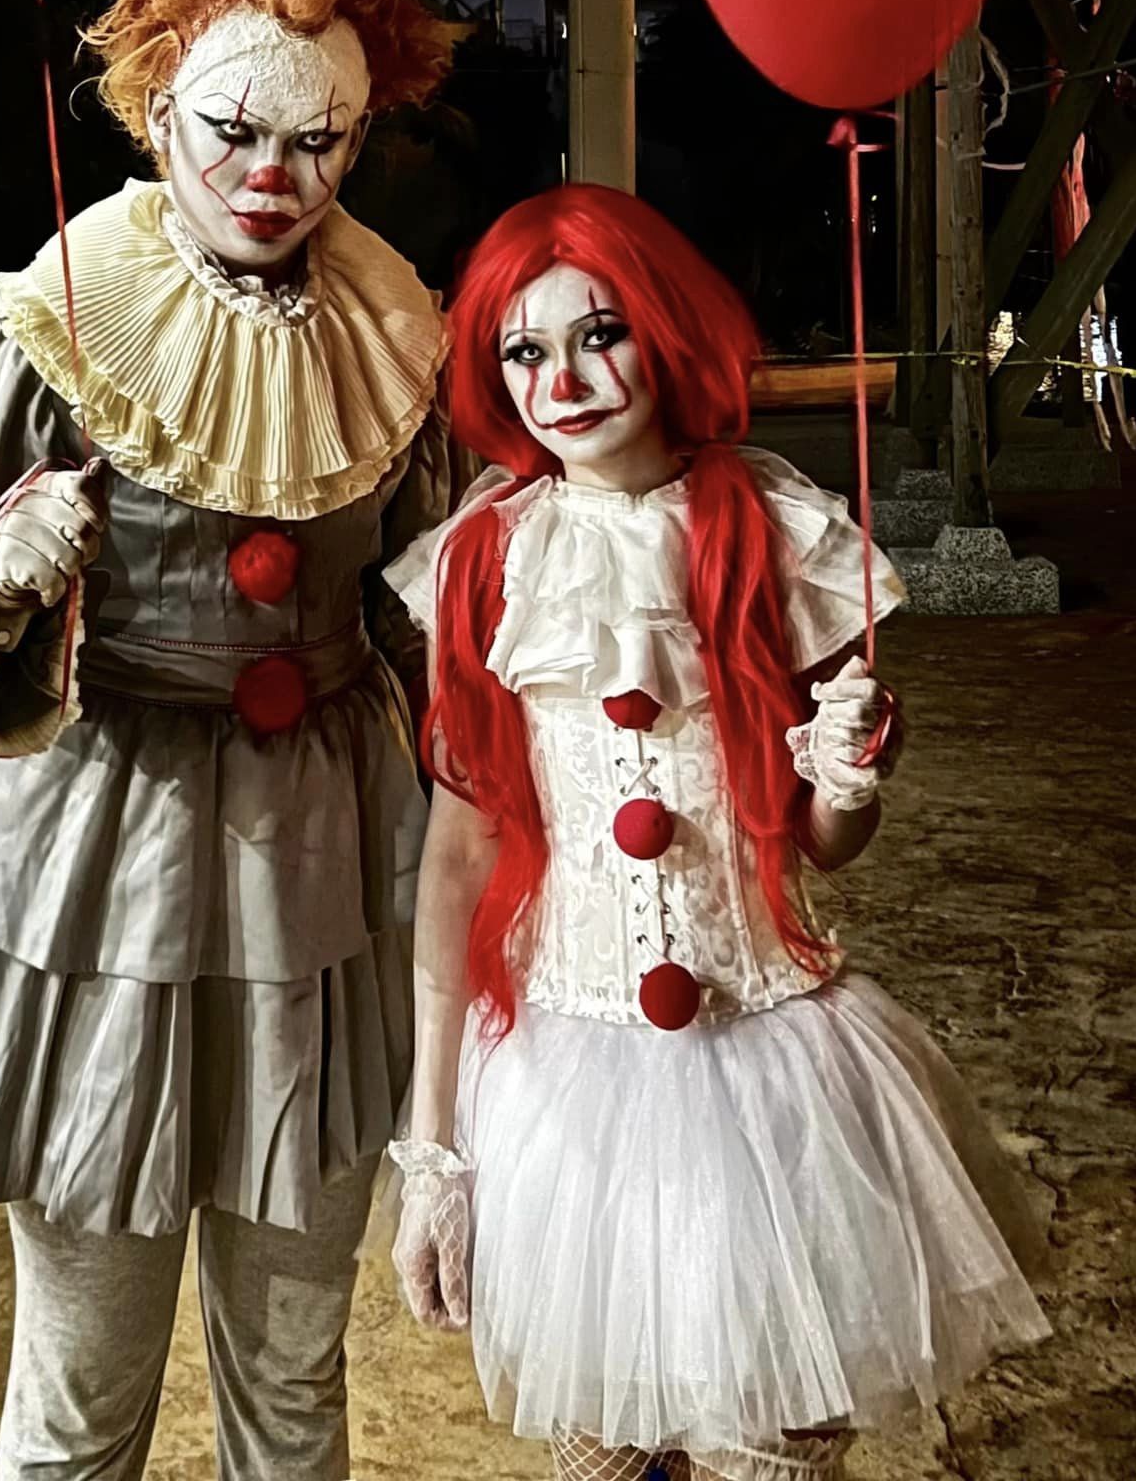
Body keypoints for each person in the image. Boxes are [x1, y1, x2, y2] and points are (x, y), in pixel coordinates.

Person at [0, 0, 456, 1481]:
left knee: (295, 1380)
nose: (271, 176)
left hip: (324, 875)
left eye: (317, 144)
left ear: (359, 136)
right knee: (81, 1393)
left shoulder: (395, 329)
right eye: (235, 130)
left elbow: (432, 613)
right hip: (103, 863)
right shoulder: (57, 323)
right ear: (161, 106)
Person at [383, 185, 1049, 1481]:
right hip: (566, 1087)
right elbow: (458, 858)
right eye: (525, 351)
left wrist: (846, 775)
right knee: (601, 1447)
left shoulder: (773, 530)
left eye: (600, 335)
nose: (562, 382)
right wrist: (435, 1152)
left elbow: (826, 842)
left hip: (768, 1072)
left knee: (771, 1445)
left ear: (667, 330)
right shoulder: (487, 558)